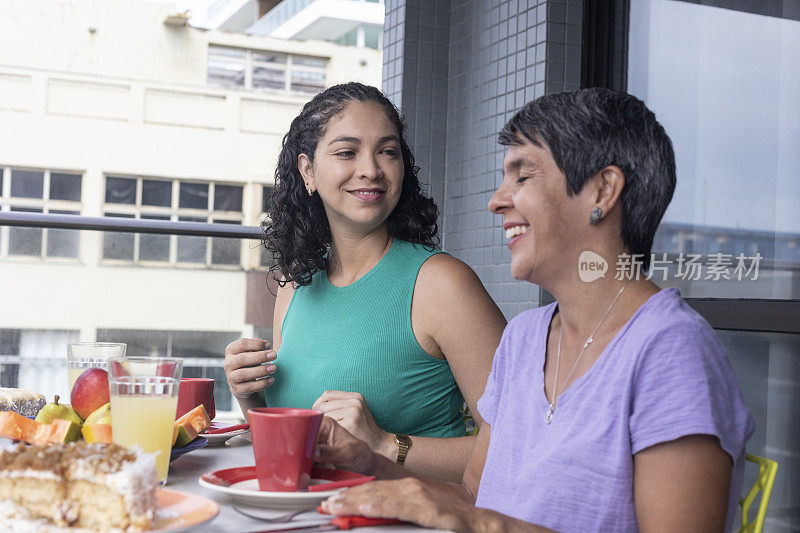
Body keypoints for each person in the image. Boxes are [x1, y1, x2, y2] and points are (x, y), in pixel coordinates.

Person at [313, 88, 755, 532]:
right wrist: (370, 461)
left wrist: (481, 524)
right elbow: (473, 497)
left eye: (523, 177)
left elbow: (478, 518)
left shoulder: (672, 352)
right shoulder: (524, 338)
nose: (497, 200)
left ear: (603, 190)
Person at [223, 82, 507, 481]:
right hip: (308, 518)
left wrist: (384, 445)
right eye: (346, 152)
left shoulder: (442, 283)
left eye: (387, 152)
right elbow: (294, 451)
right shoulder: (295, 284)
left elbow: (521, 445)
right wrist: (249, 395)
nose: (371, 169)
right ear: (308, 171)